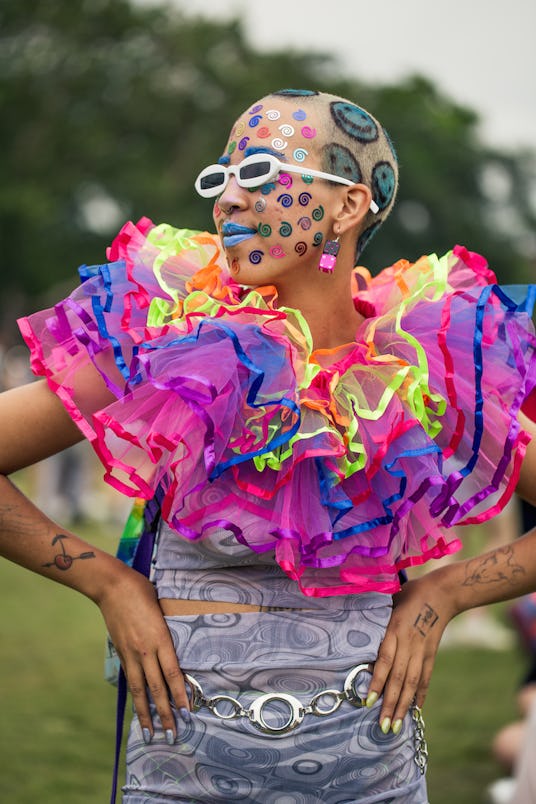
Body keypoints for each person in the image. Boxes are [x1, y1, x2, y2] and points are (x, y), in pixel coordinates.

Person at [1, 88, 535, 804]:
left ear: (347, 207)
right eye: (219, 179)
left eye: (257, 176)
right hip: (180, 777)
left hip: (371, 776)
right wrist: (106, 580)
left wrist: (444, 595)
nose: (227, 201)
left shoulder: (417, 368)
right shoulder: (171, 339)